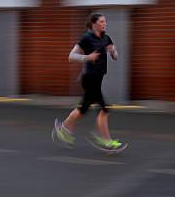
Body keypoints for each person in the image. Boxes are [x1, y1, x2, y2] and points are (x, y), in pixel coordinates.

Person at [53, 12, 124, 151]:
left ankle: (64, 128)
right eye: (102, 22)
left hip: (98, 79)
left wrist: (114, 51)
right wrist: (87, 57)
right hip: (89, 78)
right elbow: (71, 56)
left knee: (83, 109)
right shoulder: (86, 38)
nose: (105, 24)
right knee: (104, 108)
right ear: (94, 24)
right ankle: (106, 141)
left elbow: (114, 56)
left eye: (105, 21)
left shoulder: (106, 38)